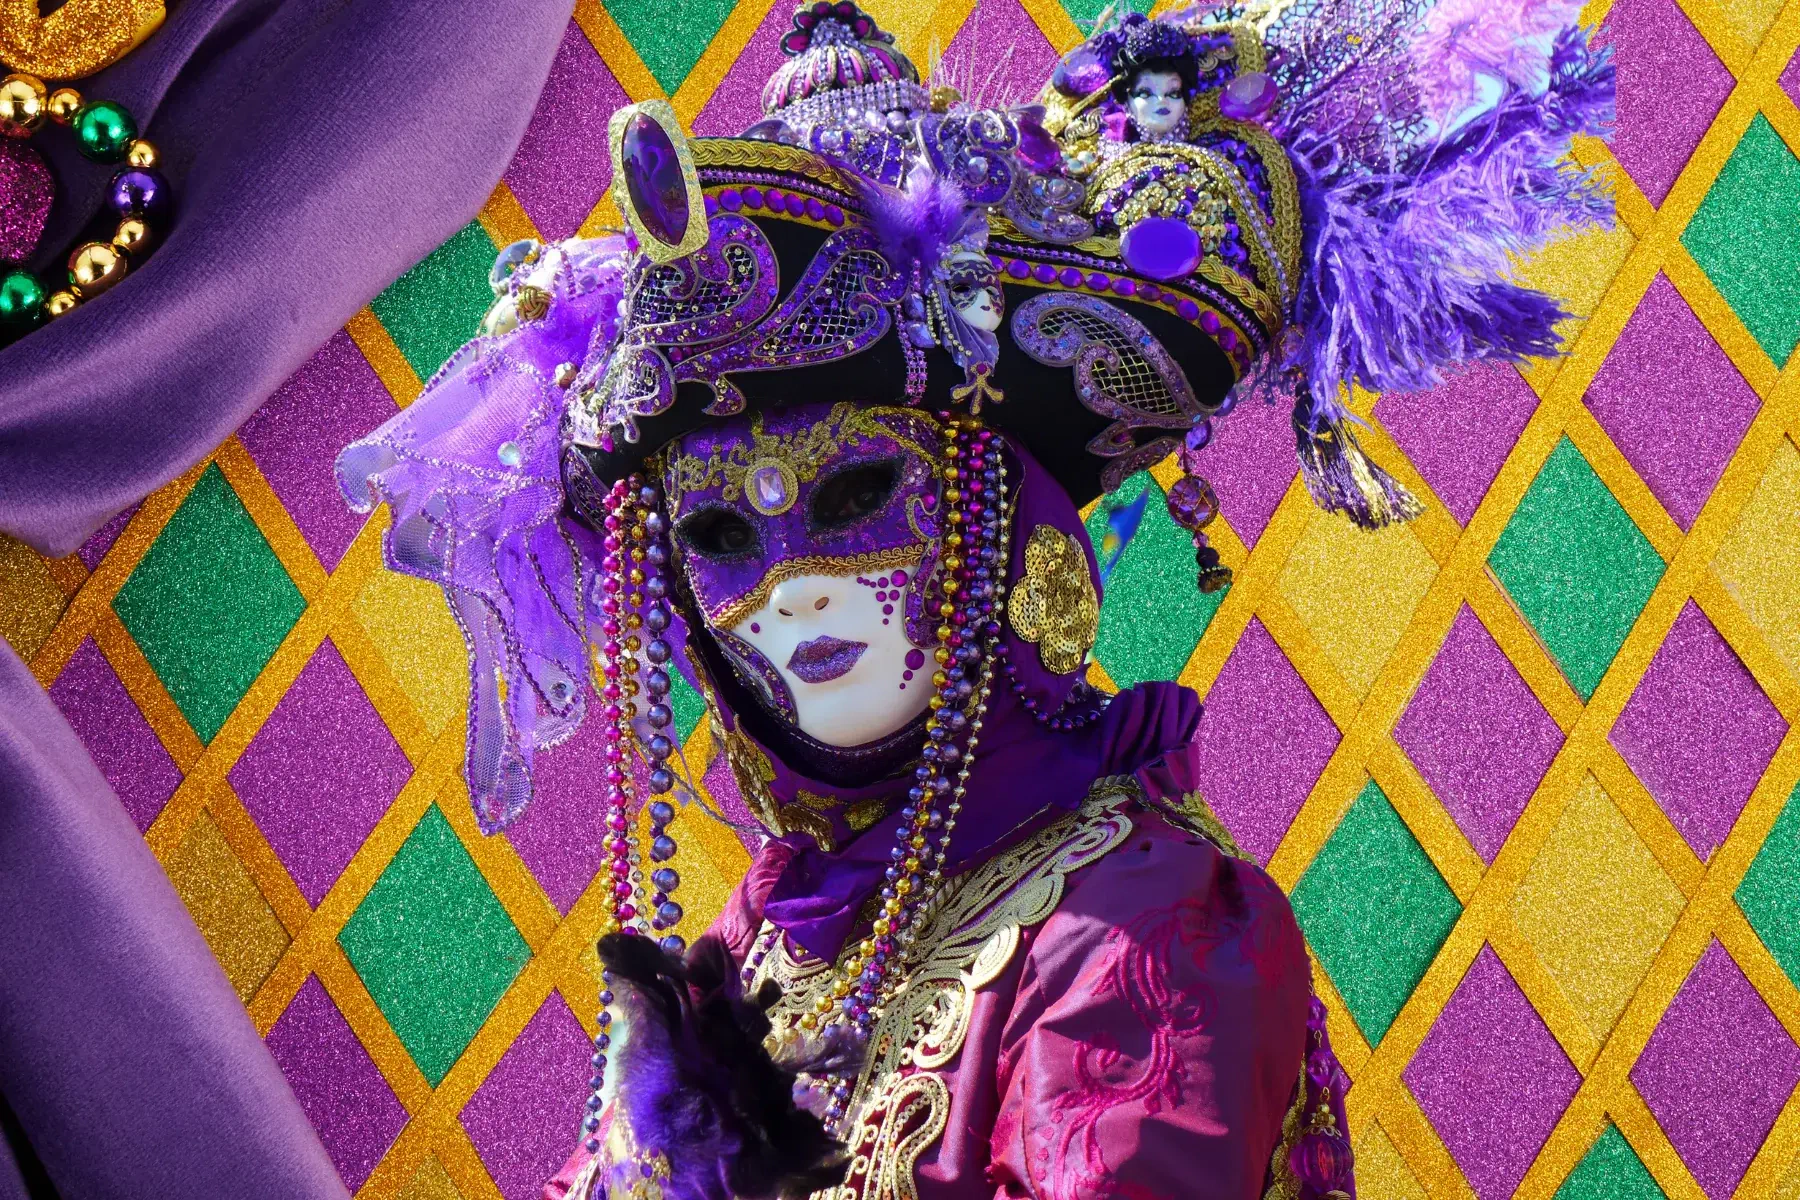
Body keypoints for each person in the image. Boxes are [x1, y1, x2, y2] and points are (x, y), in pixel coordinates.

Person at [337, 3, 1612, 1197]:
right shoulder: (768, 949)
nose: (793, 586)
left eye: (851, 502)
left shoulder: (1142, 931)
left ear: (1004, 528)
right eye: (723, 535)